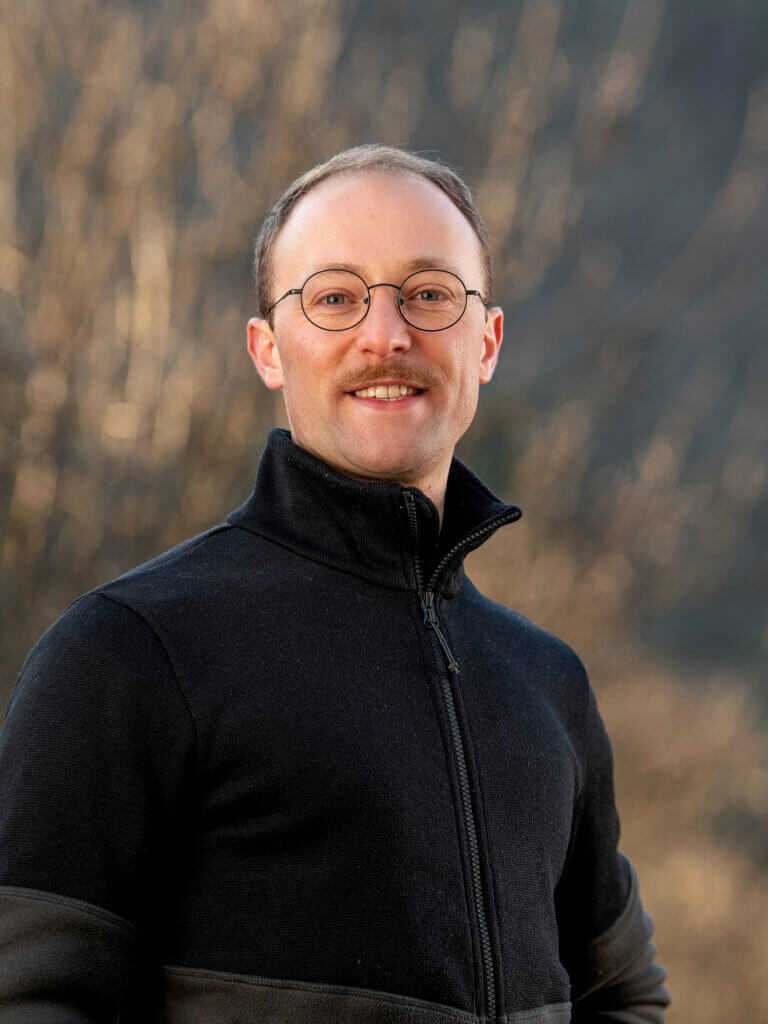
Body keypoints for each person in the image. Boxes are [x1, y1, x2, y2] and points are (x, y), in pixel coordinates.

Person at [0, 144, 671, 1023]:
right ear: (269, 349)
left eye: (429, 294)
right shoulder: (129, 652)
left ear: (487, 342)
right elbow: (31, 1001)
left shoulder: (550, 687)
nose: (385, 335)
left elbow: (624, 996)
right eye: (334, 298)